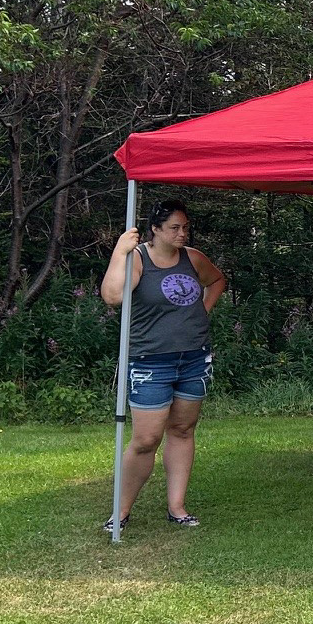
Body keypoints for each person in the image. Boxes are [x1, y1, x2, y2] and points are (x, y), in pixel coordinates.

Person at [100, 200, 226, 531]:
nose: (182, 233)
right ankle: (120, 512)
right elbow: (112, 297)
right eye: (174, 228)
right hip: (151, 360)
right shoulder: (138, 259)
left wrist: (202, 311)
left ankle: (177, 508)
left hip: (194, 357)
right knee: (146, 439)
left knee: (182, 429)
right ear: (155, 229)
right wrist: (119, 252)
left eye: (185, 227)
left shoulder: (192, 258)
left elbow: (217, 281)